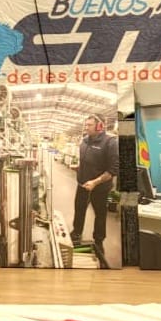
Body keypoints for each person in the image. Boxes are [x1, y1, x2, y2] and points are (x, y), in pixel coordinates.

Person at [70, 113, 118, 268]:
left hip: (100, 188)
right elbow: (86, 161)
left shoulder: (110, 142)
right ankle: (76, 233)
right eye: (86, 124)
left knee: (100, 215)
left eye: (89, 125)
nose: (86, 127)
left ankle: (98, 241)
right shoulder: (84, 140)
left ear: (99, 126)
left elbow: (112, 170)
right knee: (79, 210)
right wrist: (79, 167)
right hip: (83, 184)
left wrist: (95, 182)